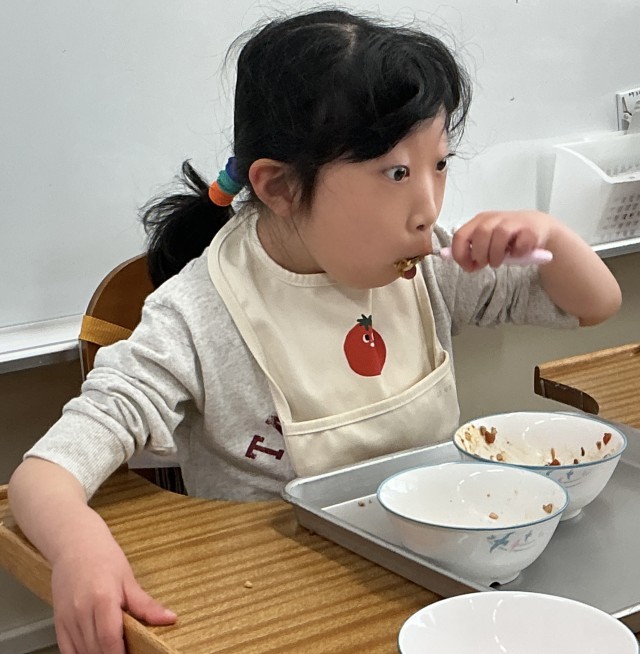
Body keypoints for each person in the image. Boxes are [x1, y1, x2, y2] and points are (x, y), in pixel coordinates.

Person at [8, 8, 621, 654]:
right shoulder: (200, 315)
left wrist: (551, 237)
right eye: (396, 173)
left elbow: (595, 304)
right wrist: (80, 548)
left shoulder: (429, 265)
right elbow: (43, 476)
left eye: (440, 164)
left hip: (437, 587)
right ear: (277, 186)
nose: (428, 207)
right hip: (276, 611)